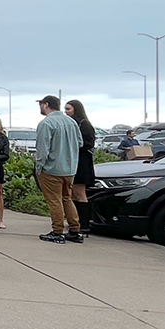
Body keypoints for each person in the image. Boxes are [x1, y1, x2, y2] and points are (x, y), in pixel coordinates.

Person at [34, 95, 84, 243]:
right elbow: (80, 143)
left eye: (41, 104)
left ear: (46, 105)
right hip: (70, 168)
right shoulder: (71, 122)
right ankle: (75, 230)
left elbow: (43, 149)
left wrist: (39, 166)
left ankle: (57, 232)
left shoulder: (46, 123)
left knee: (54, 200)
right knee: (67, 198)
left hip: (51, 168)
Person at [65, 99, 95, 234]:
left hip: (82, 162)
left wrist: (74, 145)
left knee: (79, 193)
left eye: (68, 109)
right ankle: (75, 221)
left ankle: (84, 224)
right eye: (65, 109)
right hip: (72, 161)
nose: (66, 112)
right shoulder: (70, 123)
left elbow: (89, 143)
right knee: (72, 194)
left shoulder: (84, 124)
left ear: (76, 109)